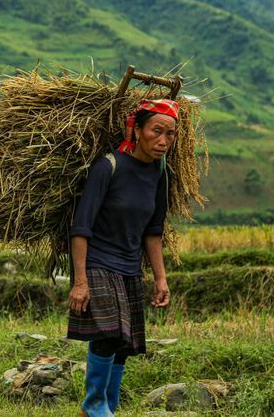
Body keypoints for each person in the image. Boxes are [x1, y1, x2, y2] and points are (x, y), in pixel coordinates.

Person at [68, 98, 178, 416]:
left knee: (125, 343)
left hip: (130, 267)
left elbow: (153, 231)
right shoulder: (108, 167)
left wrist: (160, 278)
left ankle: (108, 406)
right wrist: (80, 281)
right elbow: (81, 227)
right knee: (109, 333)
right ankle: (94, 406)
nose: (163, 141)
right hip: (98, 262)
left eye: (170, 134)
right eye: (156, 131)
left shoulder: (160, 173)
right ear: (138, 130)